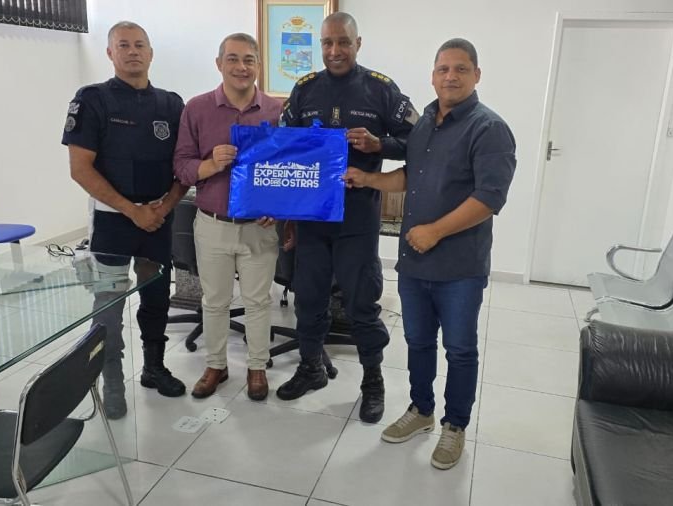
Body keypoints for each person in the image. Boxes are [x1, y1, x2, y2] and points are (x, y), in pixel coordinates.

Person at [344, 38, 516, 469]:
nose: (450, 77)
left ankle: (454, 425)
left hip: (460, 267)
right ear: (433, 75)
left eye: (461, 69)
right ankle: (421, 410)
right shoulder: (424, 123)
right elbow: (410, 176)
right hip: (415, 263)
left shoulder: (489, 129)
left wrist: (435, 232)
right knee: (418, 342)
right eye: (443, 69)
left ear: (477, 75)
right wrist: (368, 180)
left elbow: (490, 198)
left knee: (459, 349)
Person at [276, 12, 419, 424]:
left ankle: (373, 380)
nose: (335, 50)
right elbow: (281, 146)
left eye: (343, 42)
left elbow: (419, 139)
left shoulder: (381, 89)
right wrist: (284, 213)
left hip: (357, 217)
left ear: (358, 44)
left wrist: (380, 144)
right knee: (308, 297)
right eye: (327, 43)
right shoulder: (304, 90)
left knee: (361, 302)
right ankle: (311, 367)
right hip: (312, 218)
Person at [62, 21, 189, 418]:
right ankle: (112, 379)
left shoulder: (171, 104)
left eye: (139, 45)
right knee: (109, 305)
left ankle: (154, 367)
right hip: (113, 222)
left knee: (156, 296)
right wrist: (132, 210)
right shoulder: (92, 100)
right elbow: (80, 169)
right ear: (110, 53)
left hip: (158, 220)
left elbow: (184, 165)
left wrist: (164, 207)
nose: (133, 51)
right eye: (123, 45)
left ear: (151, 53)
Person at [173, 33, 283, 400]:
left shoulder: (276, 111)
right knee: (215, 301)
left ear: (258, 65)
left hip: (258, 228)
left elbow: (286, 169)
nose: (241, 67)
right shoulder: (197, 108)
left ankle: (257, 366)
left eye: (249, 59)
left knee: (258, 302)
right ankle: (216, 365)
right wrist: (209, 164)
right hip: (213, 223)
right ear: (219, 64)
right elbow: (182, 165)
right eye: (233, 59)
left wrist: (275, 205)